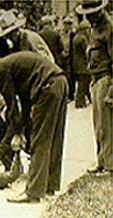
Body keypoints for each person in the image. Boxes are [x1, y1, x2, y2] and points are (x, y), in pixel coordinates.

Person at [0, 51, 68, 203]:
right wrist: (21, 128)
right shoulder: (8, 64)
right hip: (59, 81)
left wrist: (18, 134)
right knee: (54, 136)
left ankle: (33, 193)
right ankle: (50, 186)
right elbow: (24, 101)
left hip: (46, 87)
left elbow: (12, 106)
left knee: (40, 140)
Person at [76, 0, 113, 173]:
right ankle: (101, 160)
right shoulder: (94, 27)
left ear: (99, 11)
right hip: (95, 78)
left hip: (105, 79)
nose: (88, 16)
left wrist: (111, 91)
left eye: (91, 13)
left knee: (106, 125)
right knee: (98, 125)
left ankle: (109, 164)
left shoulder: (109, 28)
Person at [72, 19, 91, 108]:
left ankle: (86, 99)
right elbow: (87, 51)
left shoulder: (75, 37)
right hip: (83, 65)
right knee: (83, 84)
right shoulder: (83, 38)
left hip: (76, 64)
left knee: (82, 83)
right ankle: (80, 101)